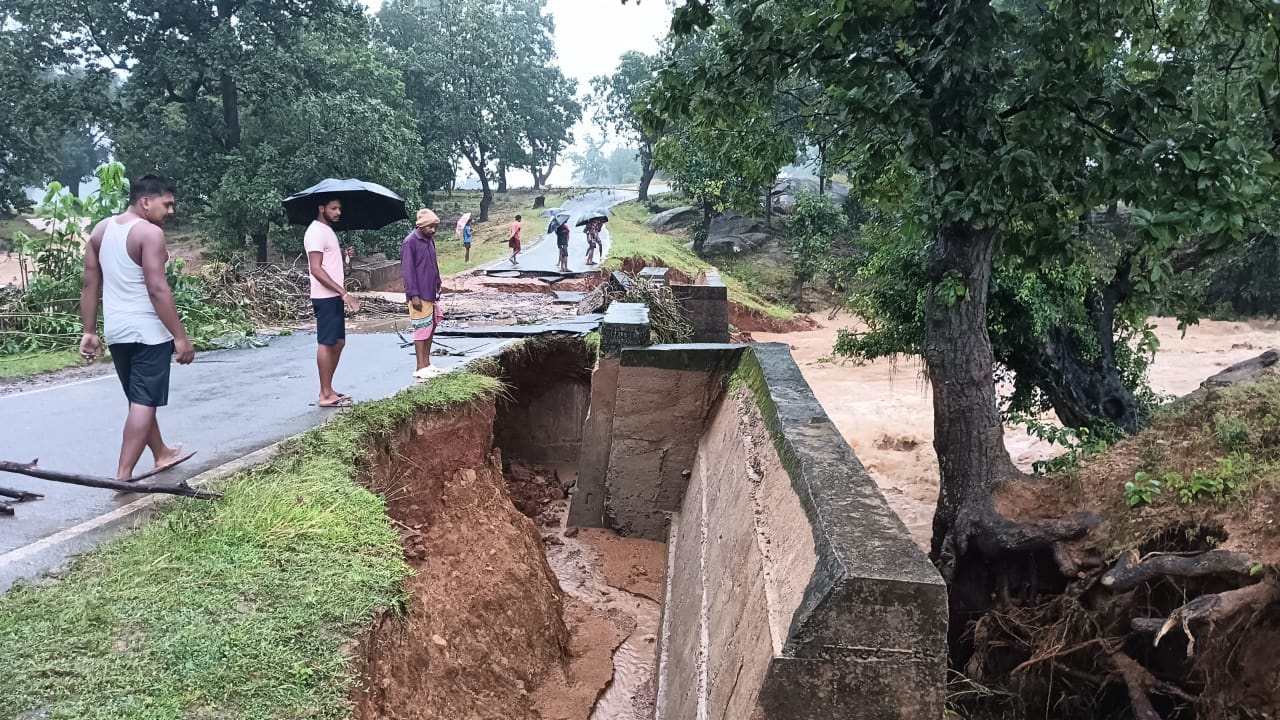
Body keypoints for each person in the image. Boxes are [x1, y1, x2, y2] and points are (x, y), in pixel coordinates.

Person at [78, 174, 194, 480]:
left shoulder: (101, 230)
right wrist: (180, 337)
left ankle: (161, 453)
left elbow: (90, 285)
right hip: (149, 333)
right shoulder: (149, 234)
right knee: (144, 400)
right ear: (145, 201)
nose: (170, 211)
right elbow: (158, 289)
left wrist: (89, 331)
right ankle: (123, 475)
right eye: (166, 204)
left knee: (138, 399)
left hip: (117, 332)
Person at [305, 196, 360, 408]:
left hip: (334, 296)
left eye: (340, 208)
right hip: (325, 297)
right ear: (321, 208)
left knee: (338, 342)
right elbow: (316, 269)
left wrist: (344, 255)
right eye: (333, 208)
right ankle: (324, 393)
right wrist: (343, 292)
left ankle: (328, 388)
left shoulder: (327, 231)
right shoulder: (315, 231)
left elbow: (330, 262)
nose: (338, 212)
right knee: (327, 343)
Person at [402, 209, 445, 380]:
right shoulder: (410, 242)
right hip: (419, 294)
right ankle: (420, 366)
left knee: (431, 326)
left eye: (435, 227)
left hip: (431, 291)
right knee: (421, 329)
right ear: (421, 226)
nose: (433, 230)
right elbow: (408, 271)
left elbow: (433, 263)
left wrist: (438, 282)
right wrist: (413, 294)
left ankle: (427, 363)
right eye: (430, 227)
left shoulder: (429, 241)